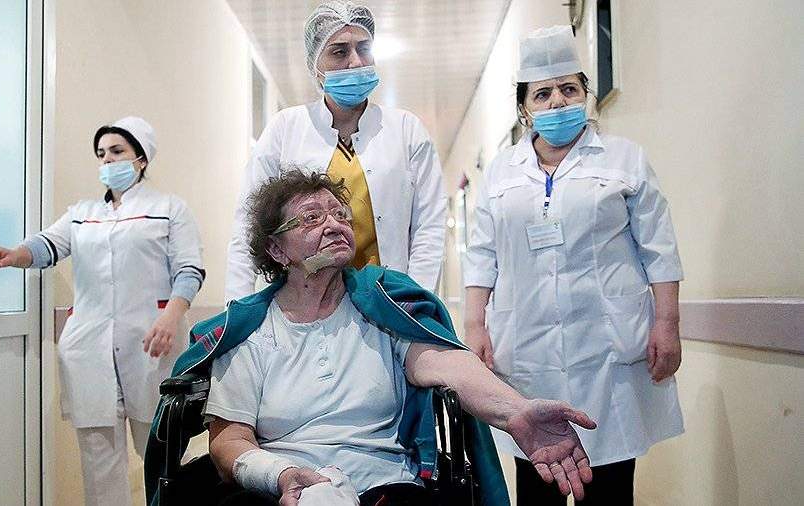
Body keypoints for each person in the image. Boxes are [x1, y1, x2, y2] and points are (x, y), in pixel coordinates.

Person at [146, 170, 597, 506]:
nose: (334, 224)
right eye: (312, 218)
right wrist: (280, 474)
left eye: (340, 214)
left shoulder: (381, 308)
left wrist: (516, 411)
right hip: (284, 487)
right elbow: (229, 443)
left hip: (384, 485)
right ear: (277, 250)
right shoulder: (250, 332)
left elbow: (445, 364)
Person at [462, 25, 685, 505]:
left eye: (568, 88)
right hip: (528, 355)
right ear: (525, 108)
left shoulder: (625, 159)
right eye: (543, 94)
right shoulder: (501, 172)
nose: (558, 101)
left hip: (607, 353)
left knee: (609, 488)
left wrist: (667, 323)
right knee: (537, 484)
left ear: (586, 94)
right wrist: (475, 325)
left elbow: (659, 248)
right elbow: (482, 254)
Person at [0, 116, 205, 506]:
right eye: (101, 154)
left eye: (117, 151)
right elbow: (48, 245)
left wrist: (171, 315)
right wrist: (14, 255)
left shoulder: (169, 209)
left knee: (162, 459)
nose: (107, 160)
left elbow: (189, 269)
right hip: (90, 351)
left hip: (152, 345)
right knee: (99, 466)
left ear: (141, 158)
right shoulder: (83, 213)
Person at [225, 0, 447, 301]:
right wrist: (236, 308)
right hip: (304, 302)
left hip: (389, 301)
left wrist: (417, 302)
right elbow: (248, 227)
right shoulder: (285, 128)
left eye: (363, 48)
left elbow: (429, 227)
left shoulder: (406, 130)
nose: (355, 62)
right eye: (339, 52)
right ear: (315, 66)